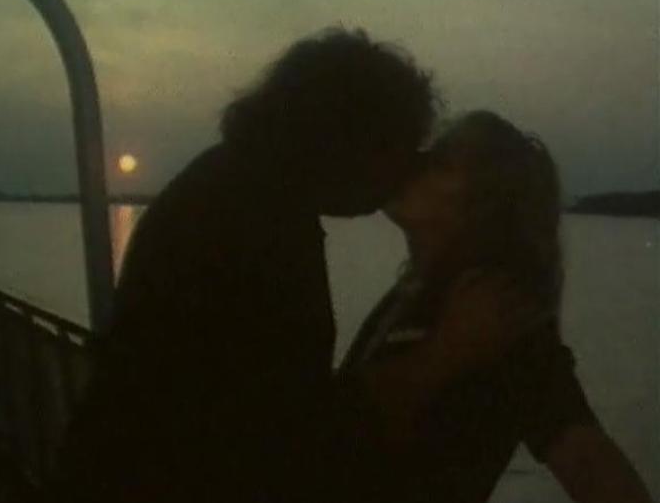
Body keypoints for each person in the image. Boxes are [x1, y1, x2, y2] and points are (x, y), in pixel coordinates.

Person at [48, 27, 446, 503]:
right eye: (397, 148)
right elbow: (288, 433)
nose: (404, 170)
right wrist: (447, 354)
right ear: (349, 138)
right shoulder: (258, 222)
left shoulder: (237, 188)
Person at [340, 110, 653, 503]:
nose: (414, 163)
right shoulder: (418, 295)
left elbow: (586, 461)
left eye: (441, 162)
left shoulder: (501, 319)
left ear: (483, 209)